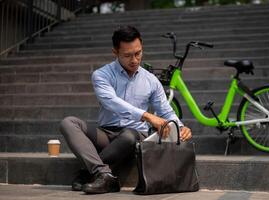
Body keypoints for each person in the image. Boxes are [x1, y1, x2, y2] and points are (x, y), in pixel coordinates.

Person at [60, 25, 192, 194]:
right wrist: (147, 116)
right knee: (68, 123)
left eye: (138, 53)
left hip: (135, 137)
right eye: (128, 55)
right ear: (115, 52)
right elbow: (112, 102)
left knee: (129, 135)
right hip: (106, 134)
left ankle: (87, 173)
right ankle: (104, 174)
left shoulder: (151, 80)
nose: (135, 60)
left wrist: (180, 127)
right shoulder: (102, 75)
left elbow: (166, 111)